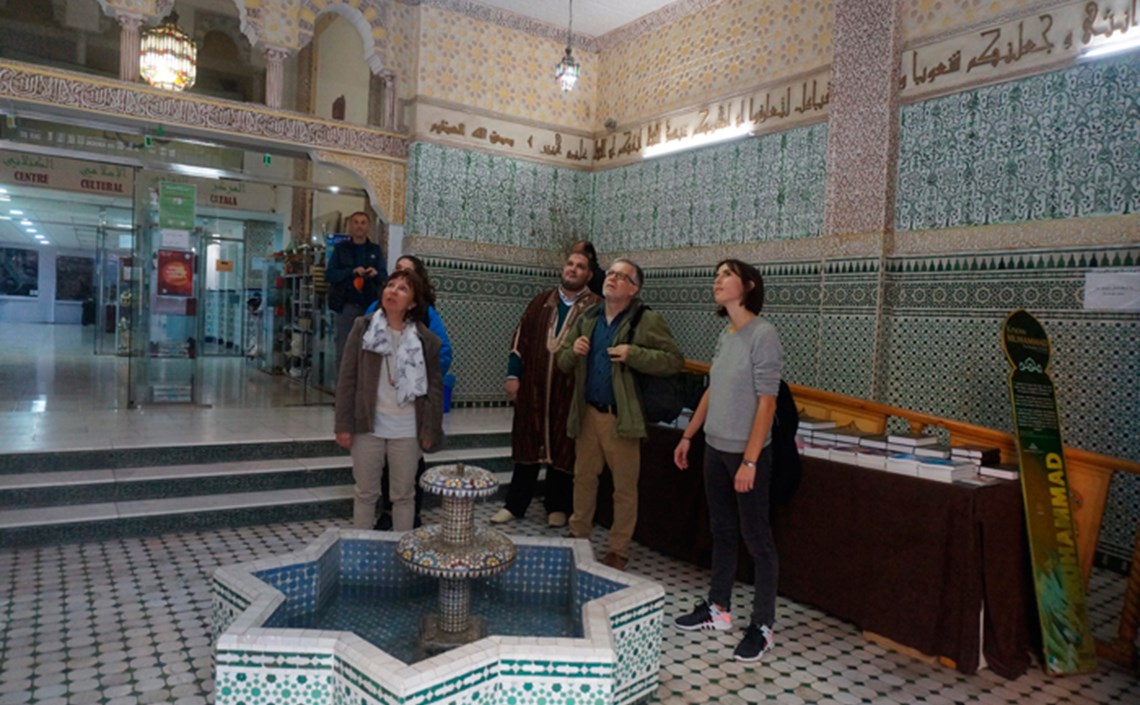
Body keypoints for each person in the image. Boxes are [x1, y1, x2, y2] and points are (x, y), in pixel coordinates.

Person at [672, 259, 783, 663]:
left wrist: (750, 462)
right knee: (722, 530)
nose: (717, 281)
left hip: (746, 454)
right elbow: (712, 389)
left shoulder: (763, 334)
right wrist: (689, 435)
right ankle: (718, 608)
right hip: (715, 449)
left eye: (726, 275)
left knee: (757, 540)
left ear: (748, 285)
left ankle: (763, 626)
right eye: (716, 275)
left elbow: (767, 403)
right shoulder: (726, 334)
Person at [556, 258, 683, 570]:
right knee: (583, 479)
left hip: (621, 418)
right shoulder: (588, 317)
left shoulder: (645, 320)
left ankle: (618, 550)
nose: (611, 278)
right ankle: (578, 536)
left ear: (633, 288)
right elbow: (562, 362)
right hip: (588, 414)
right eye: (610, 273)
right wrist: (573, 352)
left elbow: (673, 361)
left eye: (620, 276)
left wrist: (634, 354)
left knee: (624, 488)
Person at [490, 252, 600, 528]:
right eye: (570, 264)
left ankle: (557, 506)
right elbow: (520, 339)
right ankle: (515, 504)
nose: (573, 270)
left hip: (569, 391)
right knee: (527, 443)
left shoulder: (595, 307)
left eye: (580, 267)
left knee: (563, 447)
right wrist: (513, 375)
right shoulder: (541, 302)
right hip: (533, 388)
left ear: (589, 274)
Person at [334, 269, 444, 531]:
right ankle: (359, 554)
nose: (393, 291)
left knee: (403, 497)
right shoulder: (364, 328)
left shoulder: (425, 340)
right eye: (390, 285)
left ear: (414, 303)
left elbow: (435, 389)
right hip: (367, 425)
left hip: (407, 428)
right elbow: (347, 379)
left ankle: (402, 554)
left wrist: (430, 428)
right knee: (365, 493)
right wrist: (343, 424)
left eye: (403, 289)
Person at [365, 254, 452, 530]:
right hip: (378, 414)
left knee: (409, 469)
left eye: (407, 276)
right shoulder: (372, 313)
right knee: (381, 468)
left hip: (409, 413)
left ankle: (410, 514)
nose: (398, 282)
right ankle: (386, 513)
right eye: (396, 274)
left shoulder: (427, 316)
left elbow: (444, 354)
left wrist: (414, 373)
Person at [327, 211, 386, 373]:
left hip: (370, 307)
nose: (359, 226)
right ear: (350, 226)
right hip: (347, 305)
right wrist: (351, 272)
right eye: (356, 222)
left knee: (368, 349)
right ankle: (342, 391)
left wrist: (375, 273)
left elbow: (384, 276)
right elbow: (330, 274)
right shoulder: (341, 249)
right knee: (345, 348)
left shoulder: (375, 250)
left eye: (363, 223)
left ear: (368, 227)